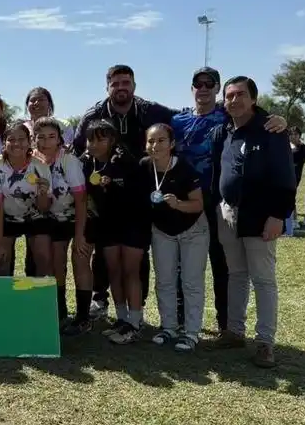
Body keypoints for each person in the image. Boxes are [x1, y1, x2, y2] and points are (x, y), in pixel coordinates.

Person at [170, 67, 285, 333]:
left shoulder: (229, 116)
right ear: (192, 88)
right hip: (184, 202)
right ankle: (180, 318)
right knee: (182, 265)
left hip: (217, 203)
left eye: (209, 83)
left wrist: (278, 119)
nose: (203, 88)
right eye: (198, 83)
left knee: (224, 267)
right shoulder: (177, 120)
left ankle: (227, 325)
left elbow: (254, 114)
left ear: (216, 89)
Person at [72, 65, 176, 319]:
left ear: (134, 86)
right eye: (115, 83)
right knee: (104, 254)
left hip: (139, 196)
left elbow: (184, 118)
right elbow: (78, 148)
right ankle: (100, 299)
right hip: (103, 201)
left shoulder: (151, 111)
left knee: (136, 259)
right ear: (107, 87)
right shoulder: (93, 114)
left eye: (126, 83)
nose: (121, 88)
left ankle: (136, 312)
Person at [207, 77, 296, 368]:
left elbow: (286, 177)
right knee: (236, 275)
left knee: (263, 280)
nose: (234, 100)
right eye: (229, 96)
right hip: (228, 214)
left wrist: (278, 215)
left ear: (254, 99)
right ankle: (234, 332)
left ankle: (265, 343)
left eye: (241, 95)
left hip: (261, 216)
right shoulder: (223, 131)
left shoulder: (271, 130)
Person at [80, 119, 150, 344]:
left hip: (133, 222)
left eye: (101, 139)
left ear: (112, 140)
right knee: (114, 272)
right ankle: (121, 319)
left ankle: (135, 323)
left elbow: (138, 192)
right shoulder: (85, 162)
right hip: (106, 224)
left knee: (131, 272)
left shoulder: (124, 159)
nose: (94, 144)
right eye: (90, 139)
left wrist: (115, 184)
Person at [143, 124, 208, 352]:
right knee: (164, 280)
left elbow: (198, 205)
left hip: (193, 229)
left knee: (191, 281)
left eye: (161, 140)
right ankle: (169, 327)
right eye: (151, 141)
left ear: (172, 144)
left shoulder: (184, 168)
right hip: (162, 231)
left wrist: (178, 204)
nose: (155, 145)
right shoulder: (144, 166)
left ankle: (191, 333)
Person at [32, 117, 92, 334]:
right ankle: (60, 313)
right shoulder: (33, 161)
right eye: (41, 137)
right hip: (52, 218)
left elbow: (81, 200)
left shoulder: (69, 161)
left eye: (51, 137)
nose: (46, 142)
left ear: (59, 139)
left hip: (79, 217)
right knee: (57, 264)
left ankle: (83, 317)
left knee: (80, 259)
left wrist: (80, 235)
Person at [0, 121, 54, 277]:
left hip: (35, 216)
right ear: (4, 143)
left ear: (29, 142)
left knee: (43, 256)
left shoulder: (41, 166)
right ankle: (4, 291)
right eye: (11, 139)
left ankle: (36, 290)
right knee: (2, 260)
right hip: (6, 216)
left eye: (21, 139)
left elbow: (44, 208)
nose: (16, 143)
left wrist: (43, 193)